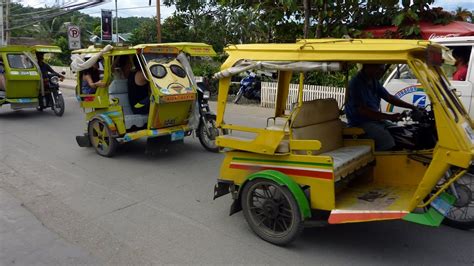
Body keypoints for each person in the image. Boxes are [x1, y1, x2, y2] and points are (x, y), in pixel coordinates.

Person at [345, 64, 419, 151]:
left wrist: (412, 107)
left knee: (399, 132)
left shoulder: (373, 81)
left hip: (374, 121)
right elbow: (363, 111)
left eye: (382, 68)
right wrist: (389, 117)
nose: (381, 71)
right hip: (361, 123)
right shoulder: (356, 84)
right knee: (387, 141)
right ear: (368, 66)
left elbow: (389, 97)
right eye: (378, 68)